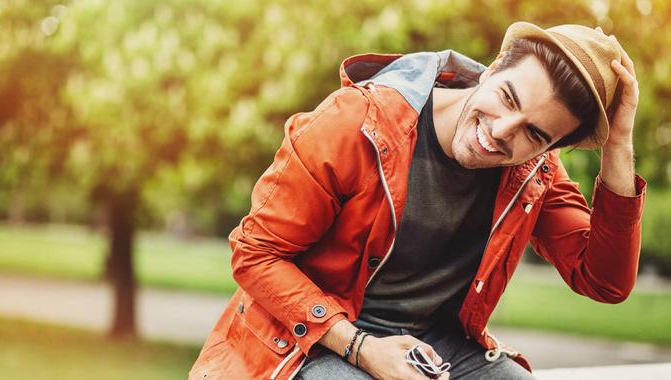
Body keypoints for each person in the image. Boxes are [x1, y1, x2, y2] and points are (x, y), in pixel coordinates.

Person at [189, 22, 645, 380]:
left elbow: (604, 281)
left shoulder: (534, 173)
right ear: (492, 68)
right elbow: (256, 253)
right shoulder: (357, 123)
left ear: (552, 148)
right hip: (313, 341)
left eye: (535, 133)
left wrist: (619, 144)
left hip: (437, 349)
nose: (503, 131)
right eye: (507, 98)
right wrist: (361, 349)